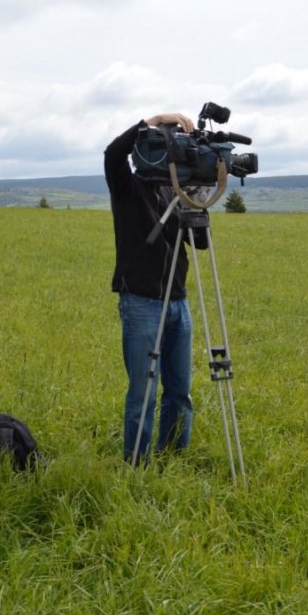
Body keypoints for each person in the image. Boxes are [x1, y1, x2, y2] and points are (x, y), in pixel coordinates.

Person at [104, 112, 206, 465]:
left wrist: (197, 198)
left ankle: (174, 455)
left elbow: (200, 242)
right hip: (141, 302)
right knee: (143, 393)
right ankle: (137, 462)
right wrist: (151, 121)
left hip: (179, 301)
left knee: (180, 391)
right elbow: (112, 154)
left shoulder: (173, 189)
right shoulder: (126, 186)